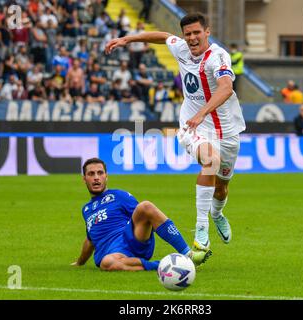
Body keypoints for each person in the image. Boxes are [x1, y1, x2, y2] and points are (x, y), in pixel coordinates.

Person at [106, 13, 246, 253]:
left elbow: (225, 88)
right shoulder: (181, 47)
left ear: (207, 32)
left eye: (196, 33)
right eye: (188, 34)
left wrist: (203, 111)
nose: (192, 38)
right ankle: (201, 230)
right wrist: (129, 39)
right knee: (211, 160)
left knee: (222, 187)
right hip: (194, 125)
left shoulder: (218, 57)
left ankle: (217, 213)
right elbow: (163, 37)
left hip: (227, 130)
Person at [71, 158, 212, 271]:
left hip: (130, 239)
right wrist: (79, 262)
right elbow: (90, 240)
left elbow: (140, 217)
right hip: (110, 254)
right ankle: (170, 265)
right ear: (84, 179)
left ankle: (188, 255)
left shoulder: (119, 195)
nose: (96, 178)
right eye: (91, 174)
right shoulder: (86, 209)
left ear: (106, 176)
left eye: (100, 173)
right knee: (107, 263)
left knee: (145, 206)